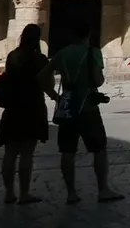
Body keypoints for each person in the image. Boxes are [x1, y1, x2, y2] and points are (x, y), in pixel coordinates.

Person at [38, 23, 123, 204]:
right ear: (89, 34)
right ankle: (103, 189)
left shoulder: (62, 53)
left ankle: (71, 193)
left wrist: (55, 97)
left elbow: (42, 76)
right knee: (99, 149)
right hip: (88, 107)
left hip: (67, 106)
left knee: (67, 151)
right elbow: (98, 81)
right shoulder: (93, 52)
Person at [0, 23, 49, 204]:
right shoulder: (40, 59)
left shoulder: (13, 56)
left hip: (13, 107)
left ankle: (9, 193)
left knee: (10, 153)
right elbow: (46, 84)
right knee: (27, 153)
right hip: (33, 107)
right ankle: (25, 194)